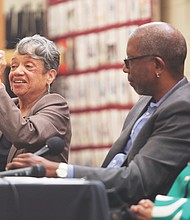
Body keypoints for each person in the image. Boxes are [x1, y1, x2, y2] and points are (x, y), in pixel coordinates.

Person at [6, 22, 190, 209]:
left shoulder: (182, 108)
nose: (125, 69)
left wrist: (59, 170)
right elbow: (115, 167)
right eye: (13, 66)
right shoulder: (145, 103)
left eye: (130, 61)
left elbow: (138, 180)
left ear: (157, 65)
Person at [0, 34, 71, 171]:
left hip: (34, 191)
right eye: (14, 66)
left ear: (50, 76)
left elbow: (24, 135)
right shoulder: (8, 105)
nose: (18, 72)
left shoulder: (56, 106)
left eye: (28, 66)